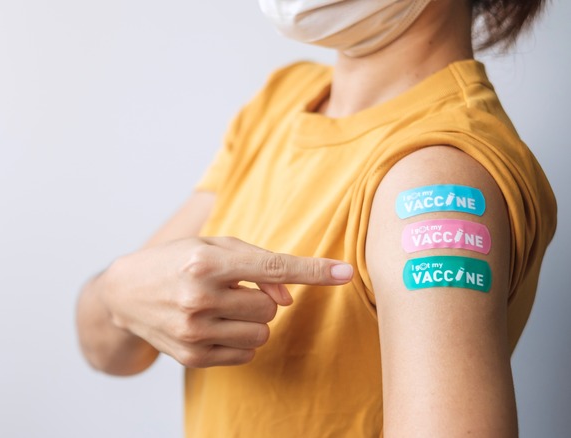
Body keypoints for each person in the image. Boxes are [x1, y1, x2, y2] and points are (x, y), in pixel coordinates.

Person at [76, 0, 557, 436]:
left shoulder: (436, 177)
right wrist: (117, 292)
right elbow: (108, 348)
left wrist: (121, 295)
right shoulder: (283, 100)